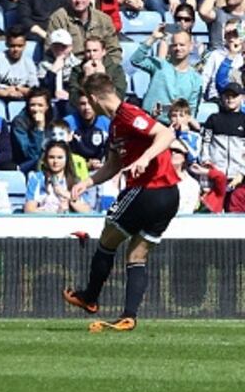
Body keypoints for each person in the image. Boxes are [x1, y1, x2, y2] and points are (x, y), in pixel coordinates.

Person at [66, 72, 179, 333]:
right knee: (136, 255)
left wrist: (144, 159)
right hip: (168, 195)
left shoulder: (127, 113)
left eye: (87, 101)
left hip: (148, 191)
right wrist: (88, 182)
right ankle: (129, 316)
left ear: (93, 98)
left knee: (107, 239)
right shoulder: (116, 125)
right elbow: (115, 164)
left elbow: (166, 135)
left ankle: (90, 297)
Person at [130, 24, 203, 122]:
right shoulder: (159, 65)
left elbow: (192, 109)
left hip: (174, 126)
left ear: (190, 47)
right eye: (174, 45)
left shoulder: (195, 78)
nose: (178, 48)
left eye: (182, 45)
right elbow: (136, 60)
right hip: (149, 121)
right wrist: (153, 38)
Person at [45, 0, 122, 62]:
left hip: (100, 67)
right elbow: (50, 49)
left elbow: (114, 51)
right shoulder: (58, 18)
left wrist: (105, 69)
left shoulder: (104, 20)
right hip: (69, 68)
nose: (78, 0)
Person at [24, 140, 92, 213]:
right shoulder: (37, 178)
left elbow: (86, 211)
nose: (55, 161)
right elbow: (29, 210)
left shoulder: (76, 181)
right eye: (51, 157)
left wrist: (66, 194)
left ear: (67, 159)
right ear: (46, 159)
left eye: (60, 157)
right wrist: (55, 212)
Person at [200, 82, 245, 181]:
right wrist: (206, 161)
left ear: (242, 97)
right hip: (216, 173)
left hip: (238, 176)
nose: (230, 99)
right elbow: (205, 143)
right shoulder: (213, 118)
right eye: (227, 96)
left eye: (234, 96)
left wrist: (242, 173)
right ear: (222, 97)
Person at [0, 28, 37, 100]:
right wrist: (6, 93)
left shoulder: (29, 62)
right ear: (6, 44)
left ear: (25, 45)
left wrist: (20, 89)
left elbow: (34, 87)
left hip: (22, 96)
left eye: (20, 46)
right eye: (12, 46)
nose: (16, 49)